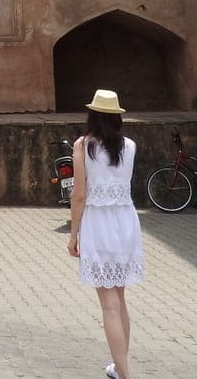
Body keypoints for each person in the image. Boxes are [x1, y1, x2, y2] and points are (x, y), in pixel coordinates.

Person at [67, 89, 144, 379]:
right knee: (120, 300)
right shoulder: (130, 145)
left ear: (92, 115)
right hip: (125, 222)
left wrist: (74, 234)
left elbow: (78, 195)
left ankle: (124, 373)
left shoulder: (83, 146)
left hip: (98, 223)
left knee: (109, 305)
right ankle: (120, 366)